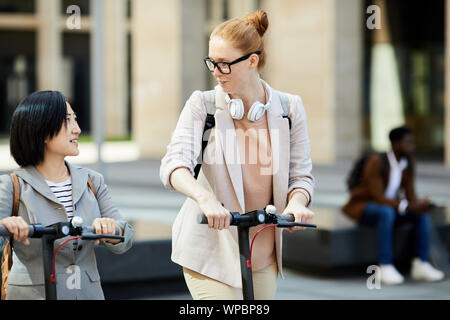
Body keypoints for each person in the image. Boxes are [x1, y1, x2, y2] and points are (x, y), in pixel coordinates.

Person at [160, 10, 315, 300]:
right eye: (212, 63)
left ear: (252, 61)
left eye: (224, 64)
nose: (216, 72)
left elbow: (301, 176)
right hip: (210, 252)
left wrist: (297, 202)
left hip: (264, 254)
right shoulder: (202, 105)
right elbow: (174, 164)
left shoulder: (290, 108)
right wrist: (205, 199)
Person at [0, 90, 134, 299]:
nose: (77, 129)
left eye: (76, 120)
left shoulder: (92, 180)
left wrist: (112, 229)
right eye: (67, 121)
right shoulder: (12, 185)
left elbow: (125, 237)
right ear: (42, 130)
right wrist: (6, 225)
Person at [342, 126, 444, 285]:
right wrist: (407, 206)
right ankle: (385, 265)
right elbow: (377, 196)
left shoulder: (408, 162)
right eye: (408, 142)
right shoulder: (377, 161)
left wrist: (419, 204)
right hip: (365, 207)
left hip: (391, 207)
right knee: (386, 212)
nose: (412, 146)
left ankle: (421, 263)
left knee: (420, 214)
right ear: (395, 143)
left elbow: (410, 194)